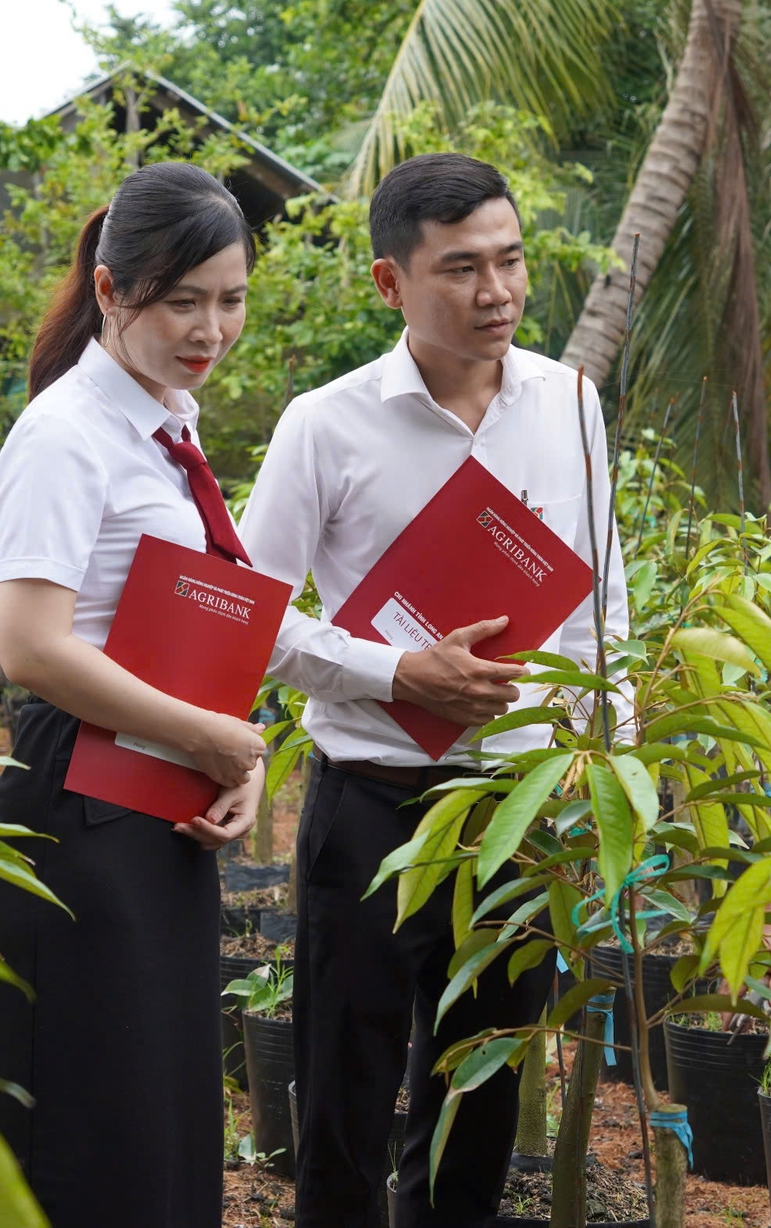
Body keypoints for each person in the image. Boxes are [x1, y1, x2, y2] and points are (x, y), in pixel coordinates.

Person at [238, 151, 629, 1228]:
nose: (496, 292)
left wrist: (610, 764)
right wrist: (395, 668)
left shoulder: (571, 403)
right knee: (340, 1098)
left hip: (517, 813)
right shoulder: (325, 423)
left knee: (478, 1103)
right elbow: (249, 614)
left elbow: (606, 611)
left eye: (509, 262)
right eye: (460, 268)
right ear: (388, 282)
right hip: (370, 800)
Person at [0, 161, 270, 1228]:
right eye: (181, 299)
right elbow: (31, 644)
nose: (211, 326)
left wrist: (239, 754)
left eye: (229, 297)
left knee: (158, 1115)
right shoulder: (68, 434)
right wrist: (206, 732)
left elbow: (186, 631)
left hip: (154, 803)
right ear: (111, 291)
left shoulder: (166, 423)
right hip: (77, 810)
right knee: (89, 1127)